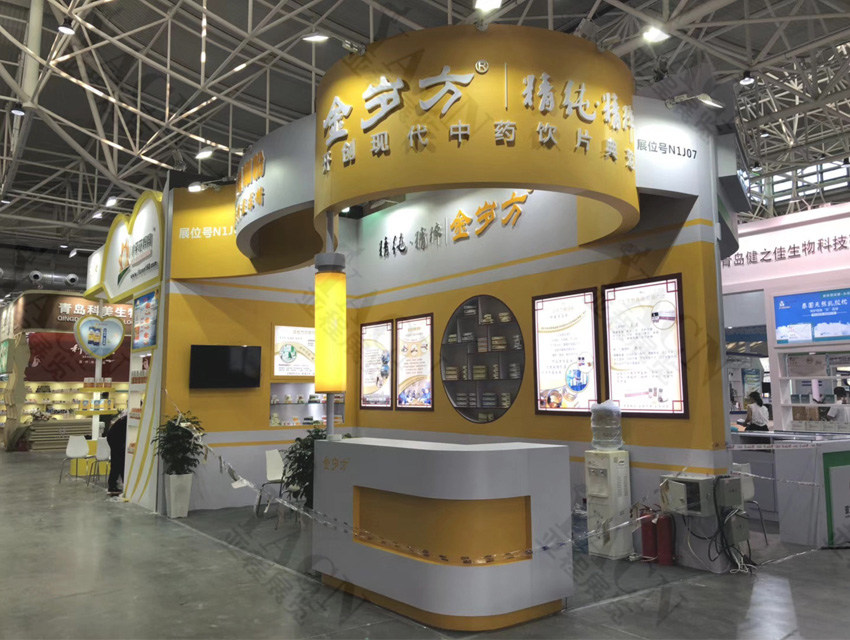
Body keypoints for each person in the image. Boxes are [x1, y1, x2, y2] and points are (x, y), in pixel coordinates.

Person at [106, 414, 128, 496]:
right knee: (118, 462)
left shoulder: (126, 418)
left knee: (119, 462)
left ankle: (118, 484)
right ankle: (112, 486)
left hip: (114, 437)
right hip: (115, 438)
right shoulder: (129, 419)